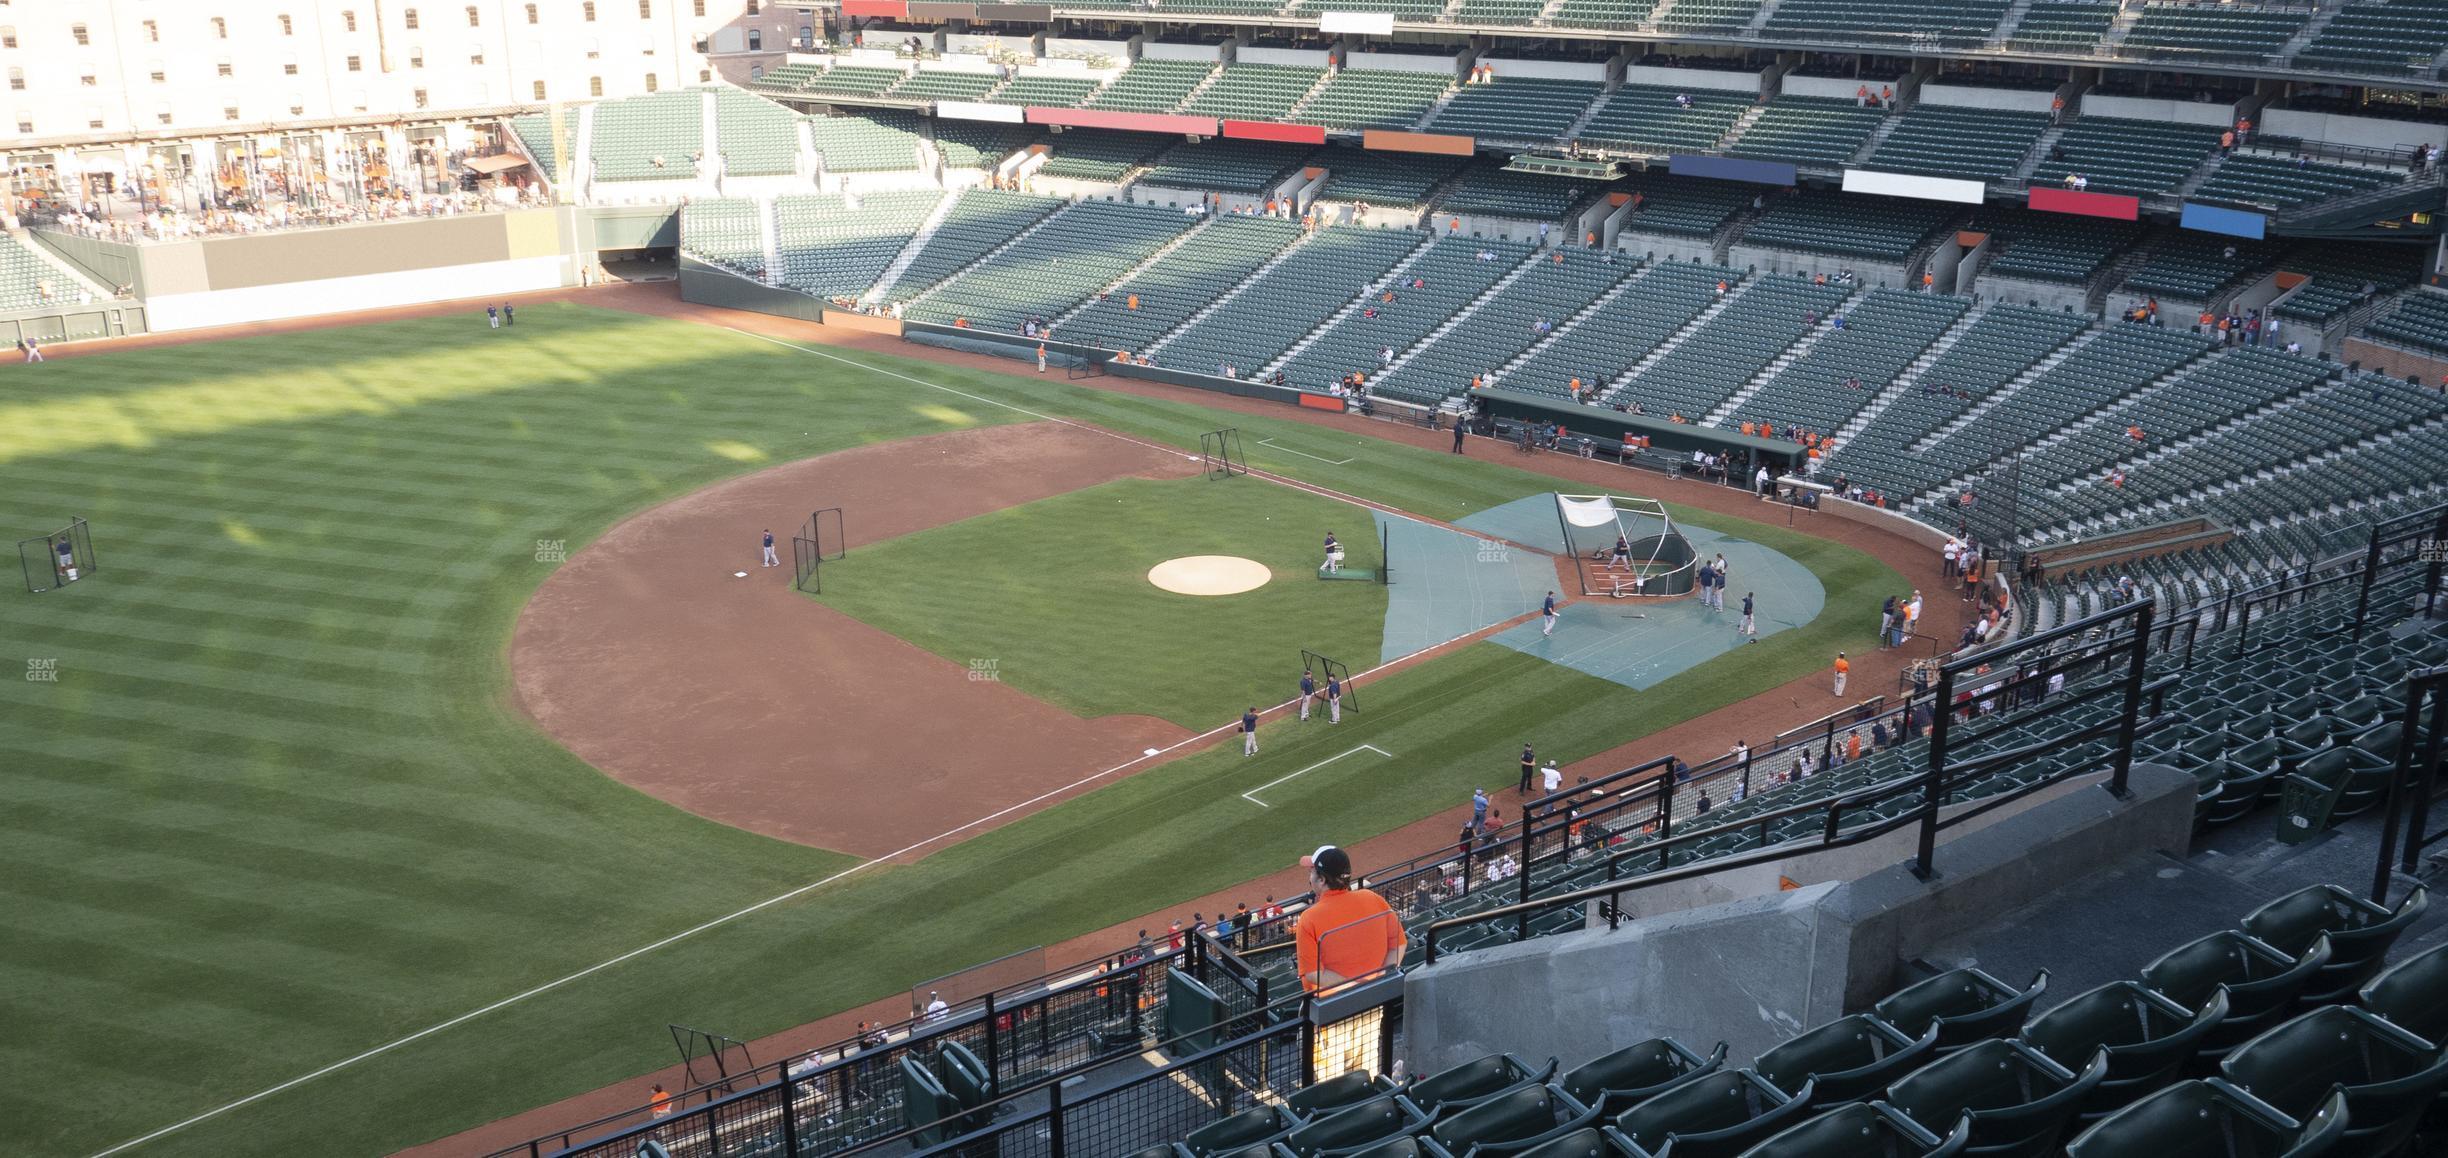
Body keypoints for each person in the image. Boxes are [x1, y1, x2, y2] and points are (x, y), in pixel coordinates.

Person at [1294, 846, 1406, 993]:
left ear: (1321, 880)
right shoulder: (1372, 898)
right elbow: (1399, 944)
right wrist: (1380, 979)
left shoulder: (1309, 918)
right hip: (1380, 996)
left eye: (1311, 872)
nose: (1310, 877)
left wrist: (1357, 990)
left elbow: (1314, 974)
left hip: (1332, 1007)